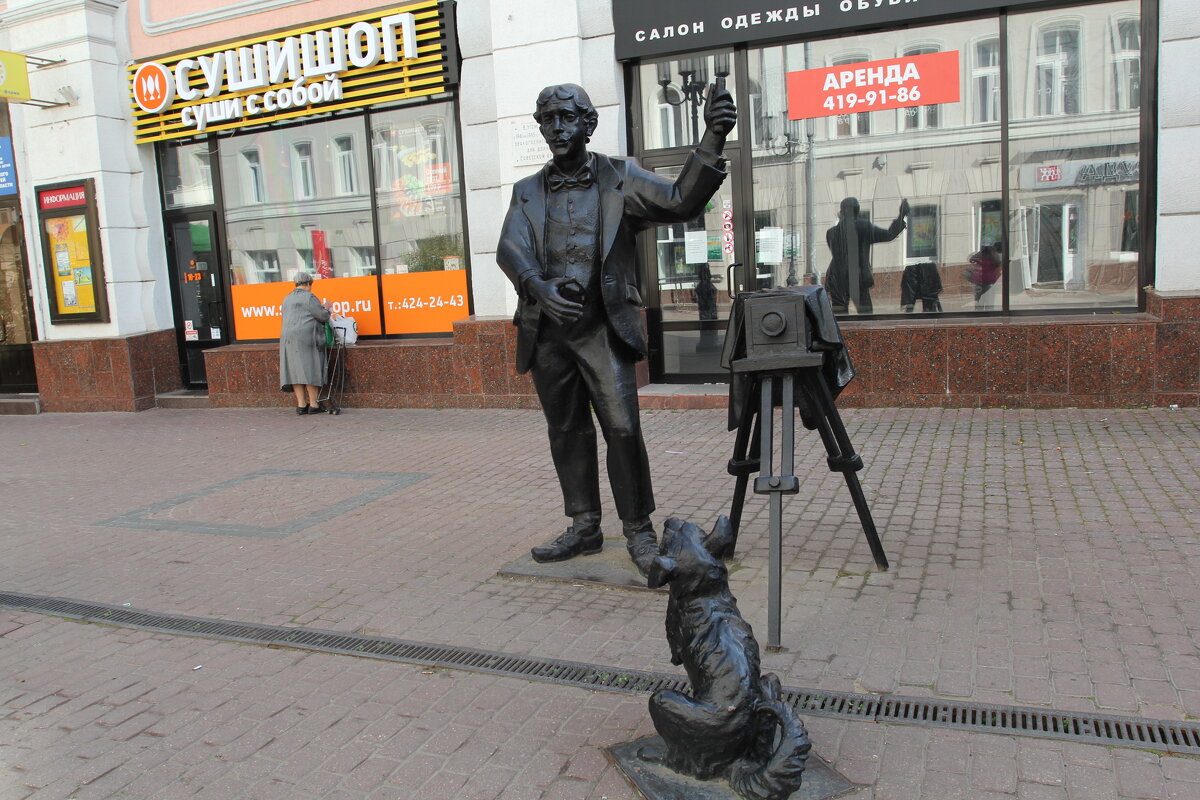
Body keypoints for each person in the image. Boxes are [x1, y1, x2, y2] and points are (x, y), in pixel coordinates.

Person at [496, 82, 736, 576]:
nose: (556, 129)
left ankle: (639, 530)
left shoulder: (620, 178)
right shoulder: (526, 191)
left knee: (623, 428)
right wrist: (538, 289)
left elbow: (680, 200)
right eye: (548, 120)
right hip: (547, 333)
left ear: (587, 124)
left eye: (566, 118)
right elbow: (509, 248)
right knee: (565, 430)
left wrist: (712, 138)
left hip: (601, 328)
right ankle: (584, 524)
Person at [824, 197, 909, 314]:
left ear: (842, 211)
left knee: (839, 317)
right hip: (857, 278)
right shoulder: (863, 227)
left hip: (837, 279)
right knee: (866, 315)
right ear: (857, 210)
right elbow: (889, 235)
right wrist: (901, 216)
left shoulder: (831, 233)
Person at [279, 271, 333, 415]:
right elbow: (322, 317)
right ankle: (314, 405)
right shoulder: (309, 297)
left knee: (295, 370)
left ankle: (301, 405)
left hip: (288, 339)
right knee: (311, 367)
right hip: (306, 337)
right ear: (308, 283)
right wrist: (327, 308)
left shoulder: (287, 298)